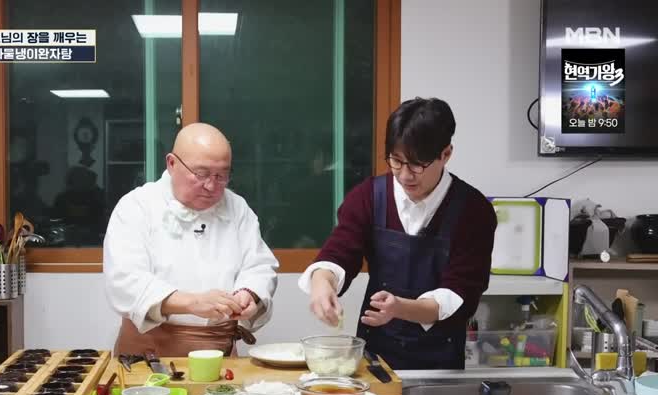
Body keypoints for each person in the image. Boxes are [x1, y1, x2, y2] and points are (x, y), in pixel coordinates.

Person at [298, 97, 497, 370]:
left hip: (440, 363)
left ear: (446, 154)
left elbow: (460, 294)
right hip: (375, 357)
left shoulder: (473, 211)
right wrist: (322, 282)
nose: (404, 175)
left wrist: (400, 308)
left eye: (417, 164)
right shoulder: (369, 196)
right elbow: (341, 250)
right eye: (396, 161)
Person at [104, 122, 279, 357]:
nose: (211, 186)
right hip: (147, 353)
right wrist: (190, 302)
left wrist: (249, 293)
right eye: (201, 174)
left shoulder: (237, 207)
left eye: (221, 176)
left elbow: (259, 265)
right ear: (172, 164)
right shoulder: (137, 206)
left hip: (220, 353)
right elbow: (125, 280)